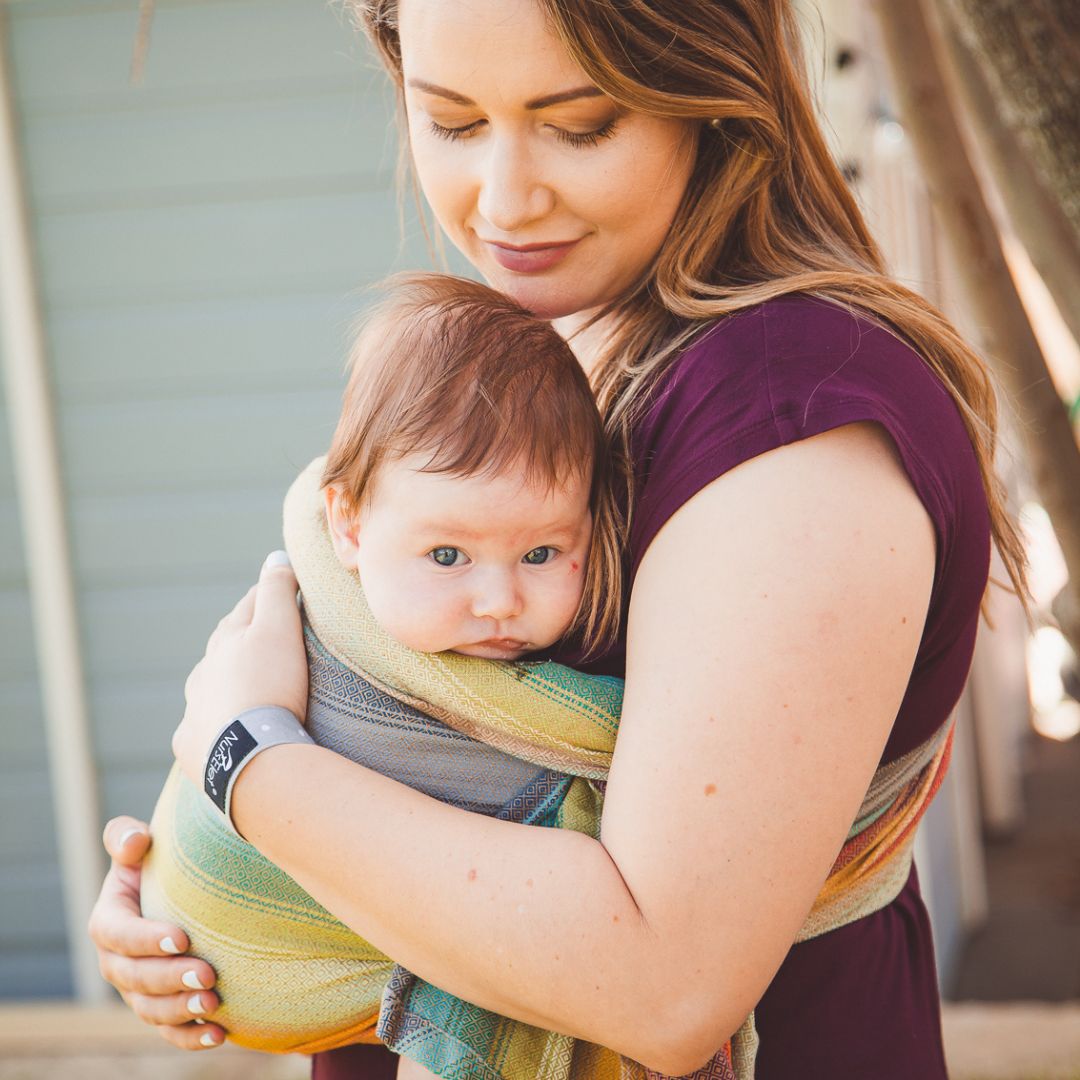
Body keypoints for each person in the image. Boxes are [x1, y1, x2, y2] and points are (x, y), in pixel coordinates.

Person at [88, 0, 1029, 1076]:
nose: (506, 199)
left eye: (578, 125)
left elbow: (665, 980)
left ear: (713, 90)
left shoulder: (789, 426)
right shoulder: (533, 337)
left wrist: (247, 770)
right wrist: (211, 903)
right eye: (452, 121)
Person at [139, 271, 629, 1069]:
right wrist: (131, 880)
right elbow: (198, 759)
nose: (500, 600)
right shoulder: (305, 637)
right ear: (349, 527)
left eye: (542, 552)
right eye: (447, 555)